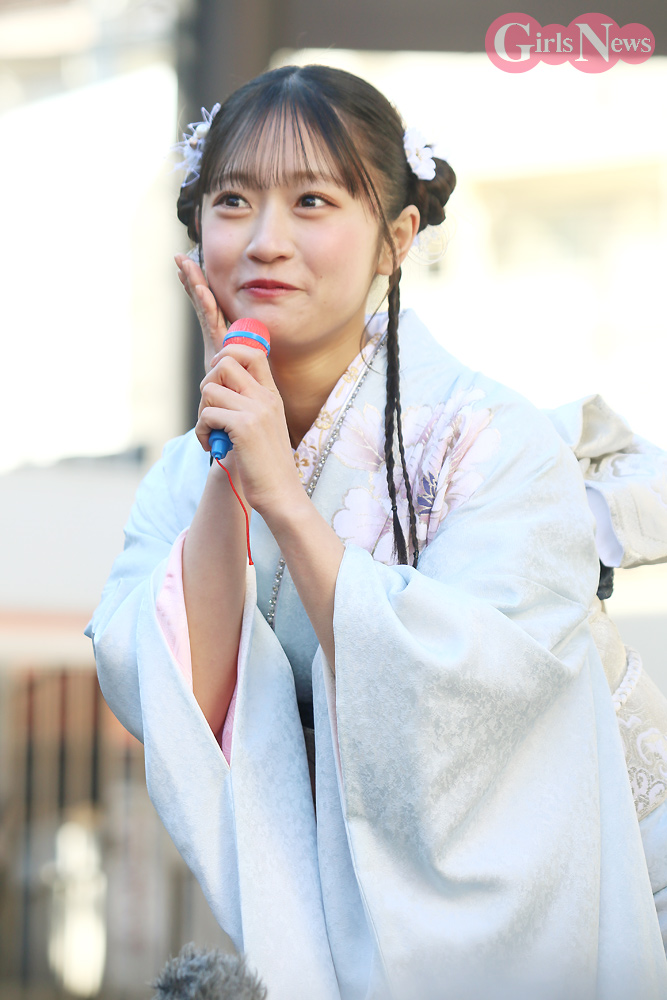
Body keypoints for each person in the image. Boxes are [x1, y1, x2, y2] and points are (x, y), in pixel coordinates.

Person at [86, 64, 667, 999]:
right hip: (330, 908)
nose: (265, 240)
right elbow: (179, 697)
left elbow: (471, 697)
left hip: (563, 893)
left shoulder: (492, 439)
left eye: (311, 201)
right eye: (233, 200)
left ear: (395, 239)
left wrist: (284, 498)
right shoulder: (181, 475)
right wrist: (233, 472)